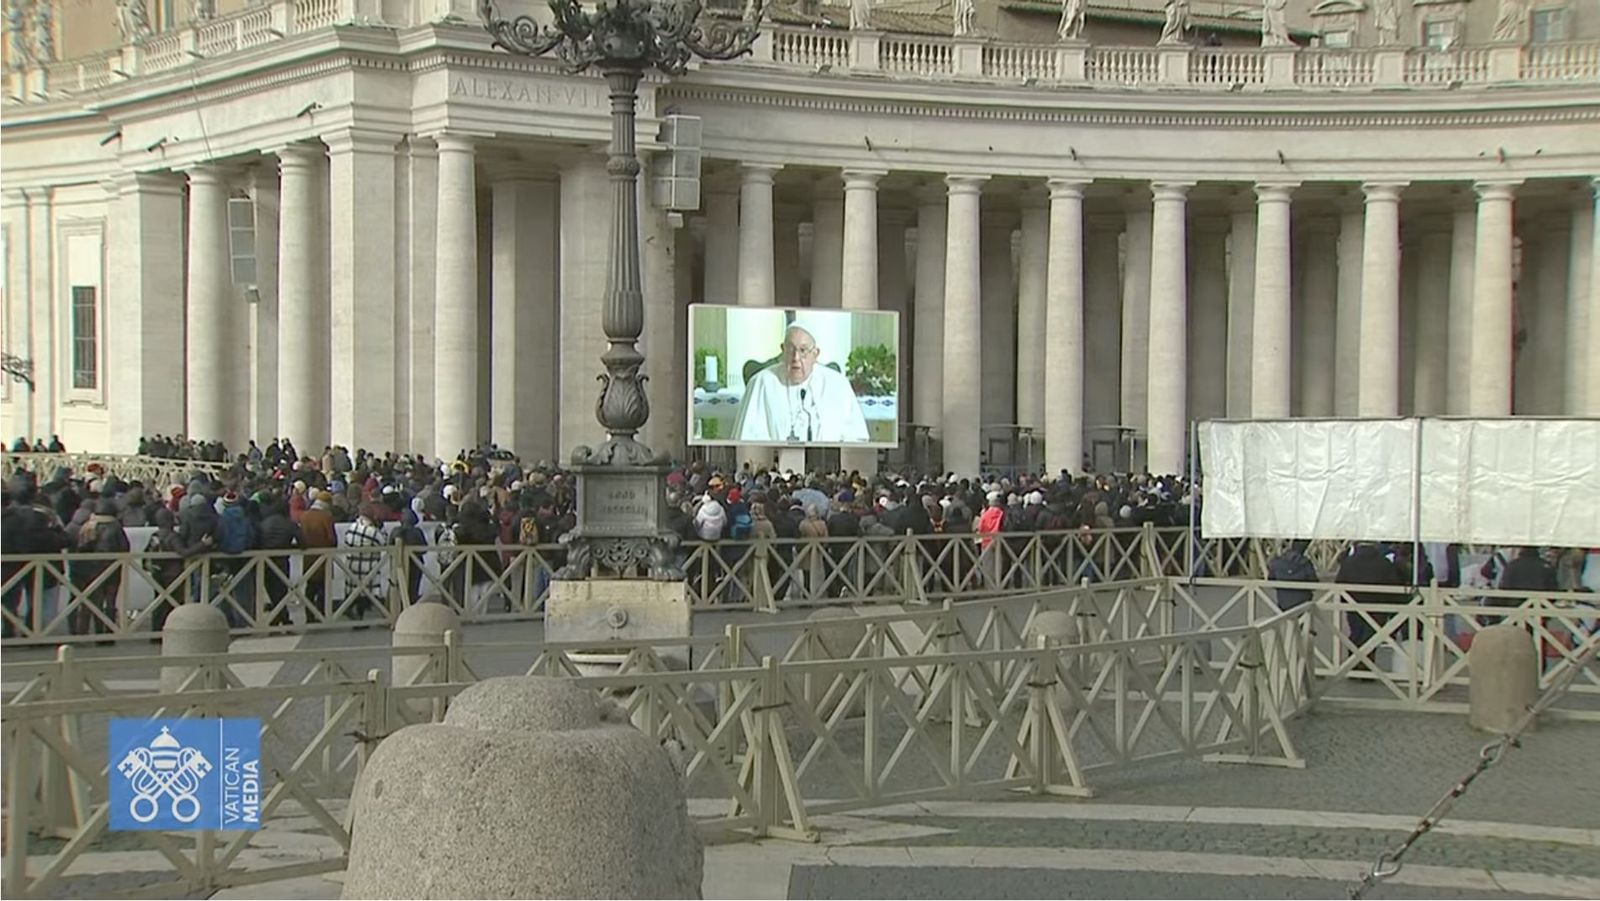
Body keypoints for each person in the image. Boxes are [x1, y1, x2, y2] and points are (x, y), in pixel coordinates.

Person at [732, 321, 871, 443]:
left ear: (815, 354)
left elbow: (856, 438)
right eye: (790, 349)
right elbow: (745, 438)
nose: (795, 357)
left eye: (803, 350)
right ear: (782, 350)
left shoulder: (838, 385)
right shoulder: (761, 383)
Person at [1266, 540, 1319, 609]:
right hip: (1303, 604)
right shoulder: (1305, 563)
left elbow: (1271, 581)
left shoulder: (1277, 562)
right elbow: (1314, 583)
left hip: (1283, 603)